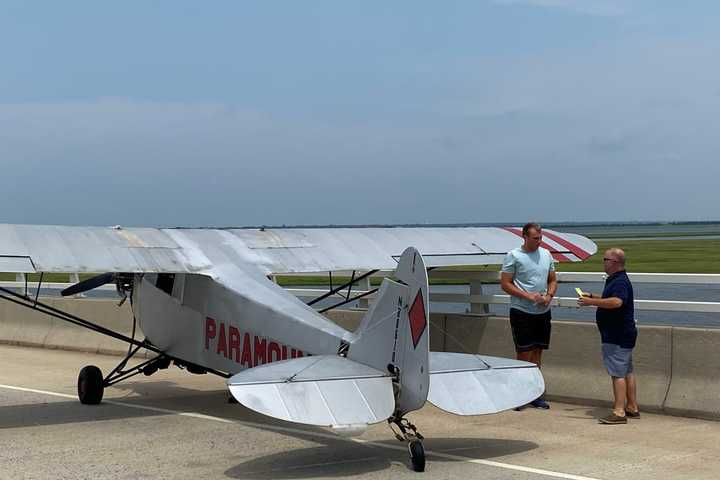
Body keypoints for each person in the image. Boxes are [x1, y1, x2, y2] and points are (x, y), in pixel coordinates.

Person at [578, 248, 639, 425]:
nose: (603, 262)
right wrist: (593, 296)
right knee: (627, 370)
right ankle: (632, 407)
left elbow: (617, 302)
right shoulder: (616, 280)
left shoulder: (619, 281)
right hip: (623, 333)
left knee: (617, 373)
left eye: (605, 259)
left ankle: (619, 412)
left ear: (615, 263)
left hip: (616, 334)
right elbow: (611, 298)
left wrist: (591, 302)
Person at [501, 222, 557, 409]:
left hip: (542, 312)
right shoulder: (514, 256)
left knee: (537, 352)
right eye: (535, 238)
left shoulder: (546, 254)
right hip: (522, 311)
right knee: (524, 353)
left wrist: (549, 296)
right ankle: (519, 395)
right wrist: (527, 296)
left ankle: (535, 393)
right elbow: (505, 283)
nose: (538, 241)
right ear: (524, 237)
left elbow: (552, 279)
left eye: (540, 238)